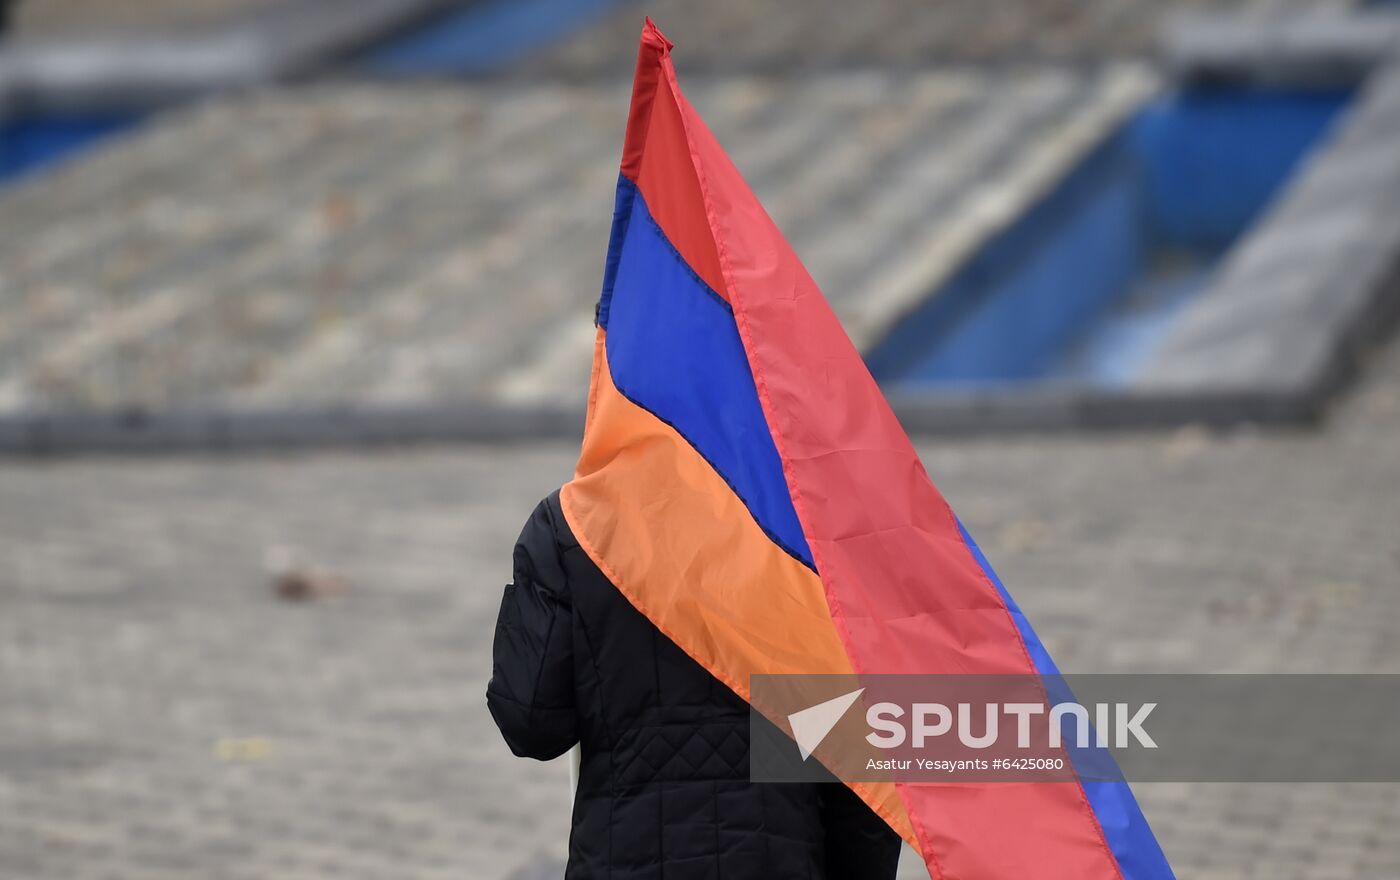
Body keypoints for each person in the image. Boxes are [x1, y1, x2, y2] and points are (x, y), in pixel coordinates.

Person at [488, 490, 902, 878]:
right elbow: (864, 769)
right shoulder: (809, 523)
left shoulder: (570, 523)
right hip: (779, 858)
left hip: (624, 857)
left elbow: (532, 728)